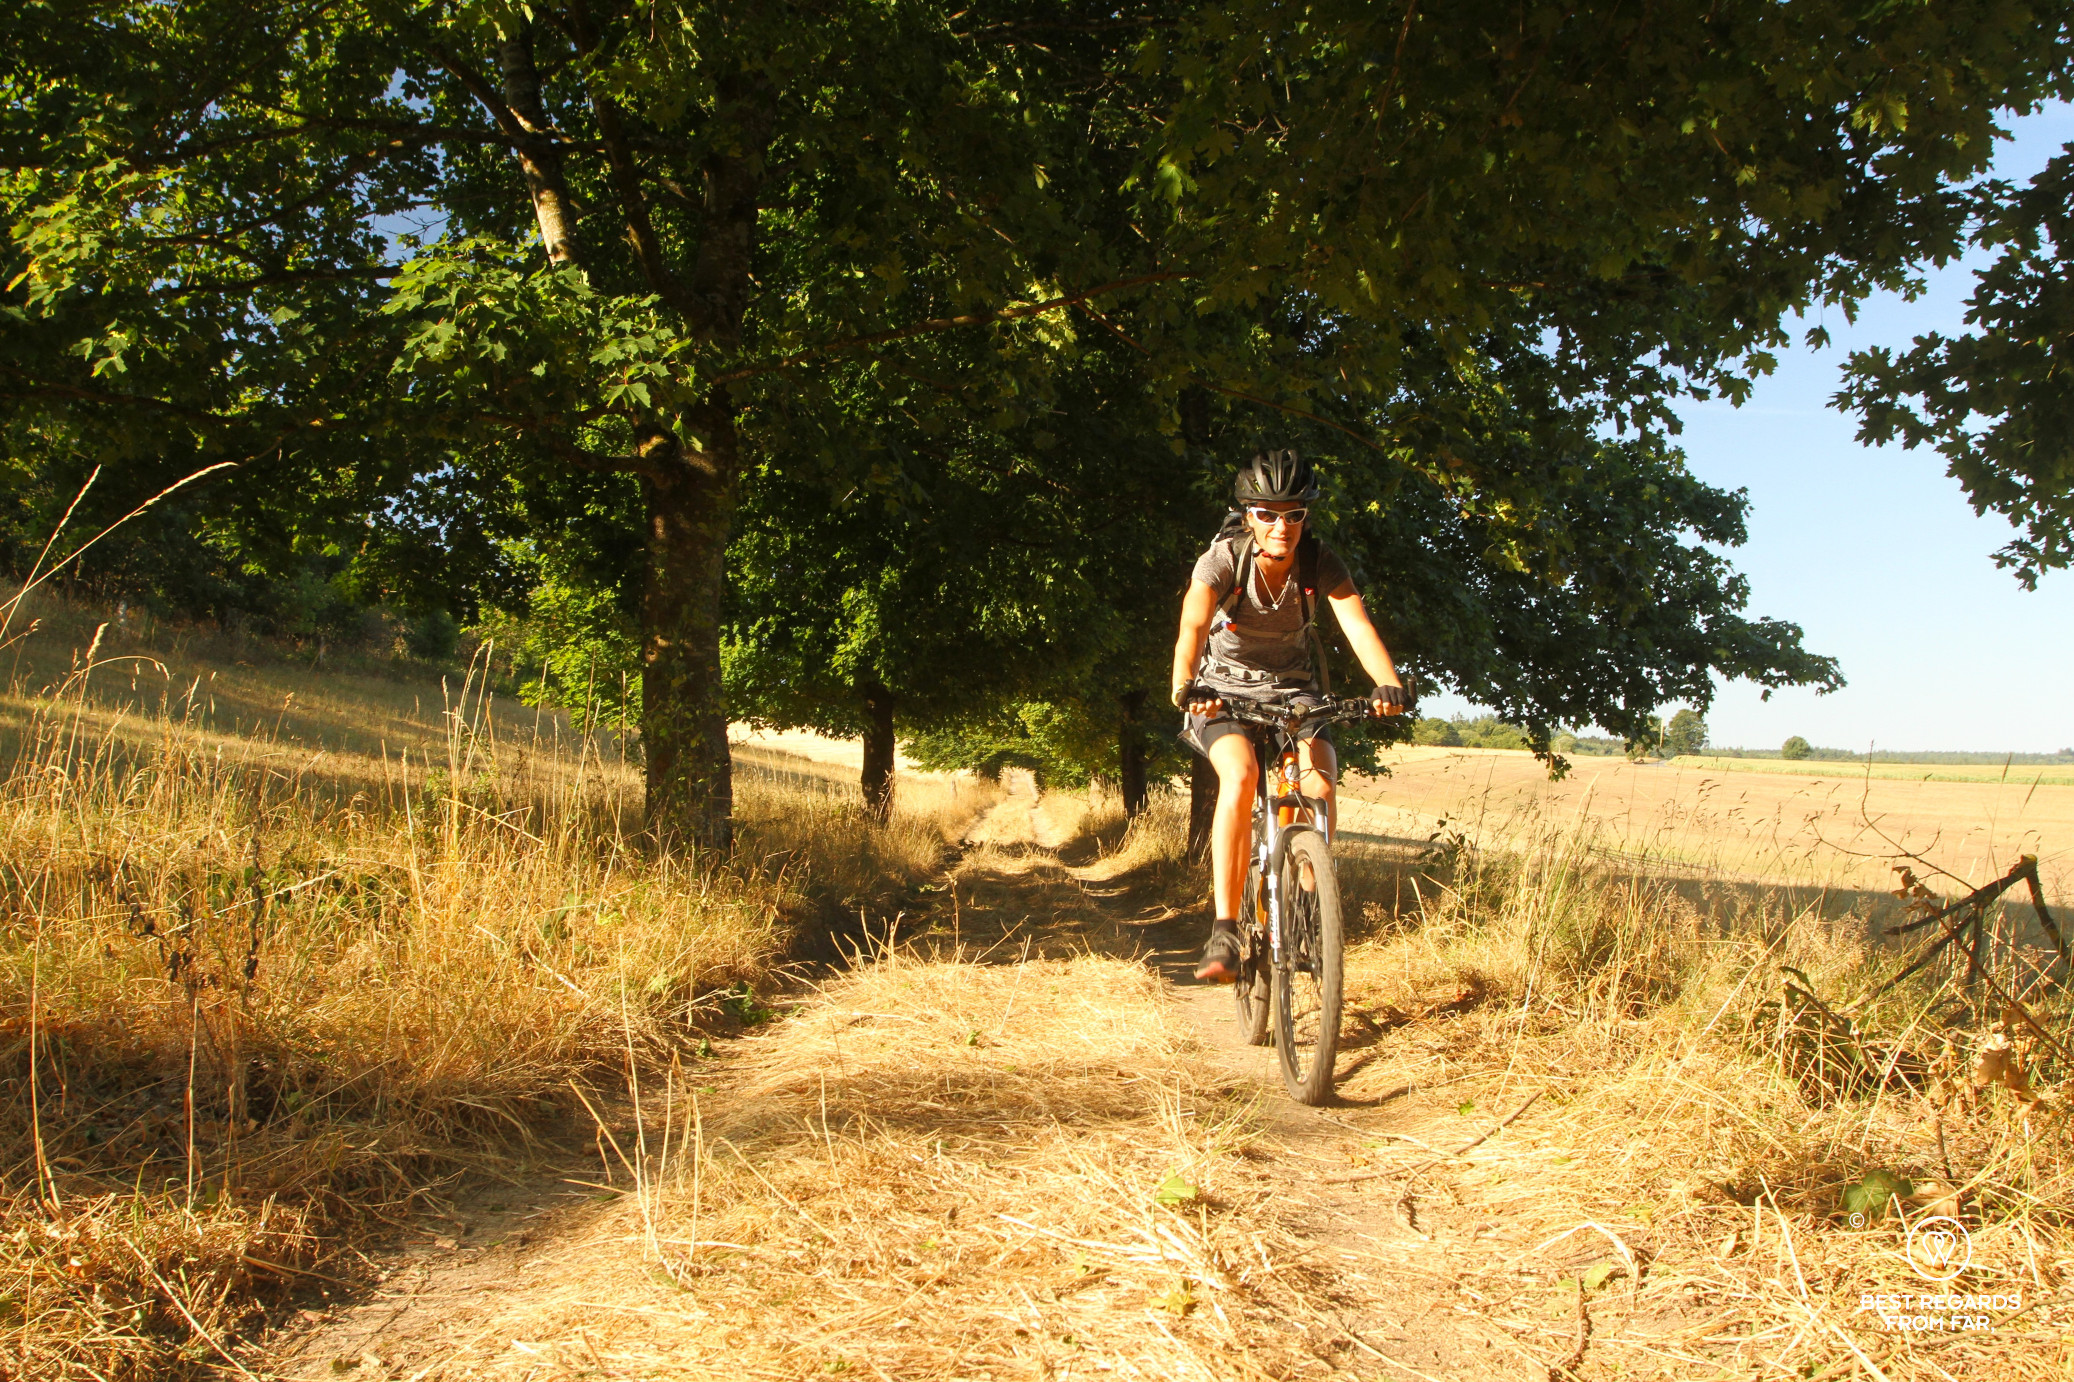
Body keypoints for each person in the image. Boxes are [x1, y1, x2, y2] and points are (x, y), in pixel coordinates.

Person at [1170, 449, 1408, 983]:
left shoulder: (1319, 562)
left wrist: (1386, 683)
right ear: (1249, 515)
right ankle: (1225, 928)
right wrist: (1186, 687)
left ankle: (1305, 911)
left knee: (1319, 787)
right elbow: (1192, 625)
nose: (1282, 526)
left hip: (1297, 693)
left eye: (1295, 514)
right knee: (1242, 774)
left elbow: (1358, 624)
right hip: (1222, 694)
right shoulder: (1223, 562)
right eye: (1269, 513)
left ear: (1306, 517)